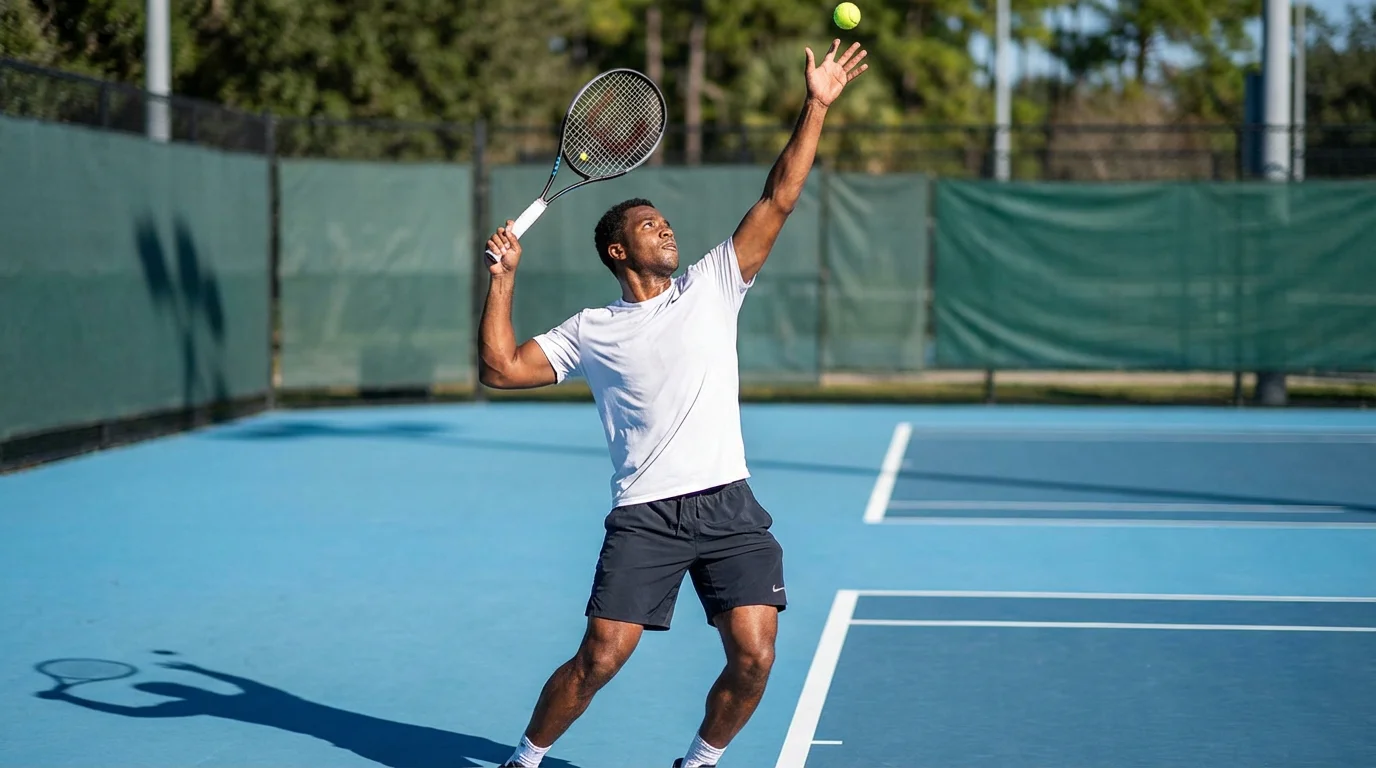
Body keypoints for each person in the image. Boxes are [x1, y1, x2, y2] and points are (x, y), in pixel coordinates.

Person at [478, 39, 869, 768]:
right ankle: (525, 760)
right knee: (599, 658)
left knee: (755, 656)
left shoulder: (712, 285)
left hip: (728, 504)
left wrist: (816, 105)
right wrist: (503, 278)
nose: (665, 228)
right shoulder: (590, 330)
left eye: (665, 221)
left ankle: (698, 762)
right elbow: (499, 367)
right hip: (647, 514)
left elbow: (779, 193)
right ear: (617, 252)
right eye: (647, 224)